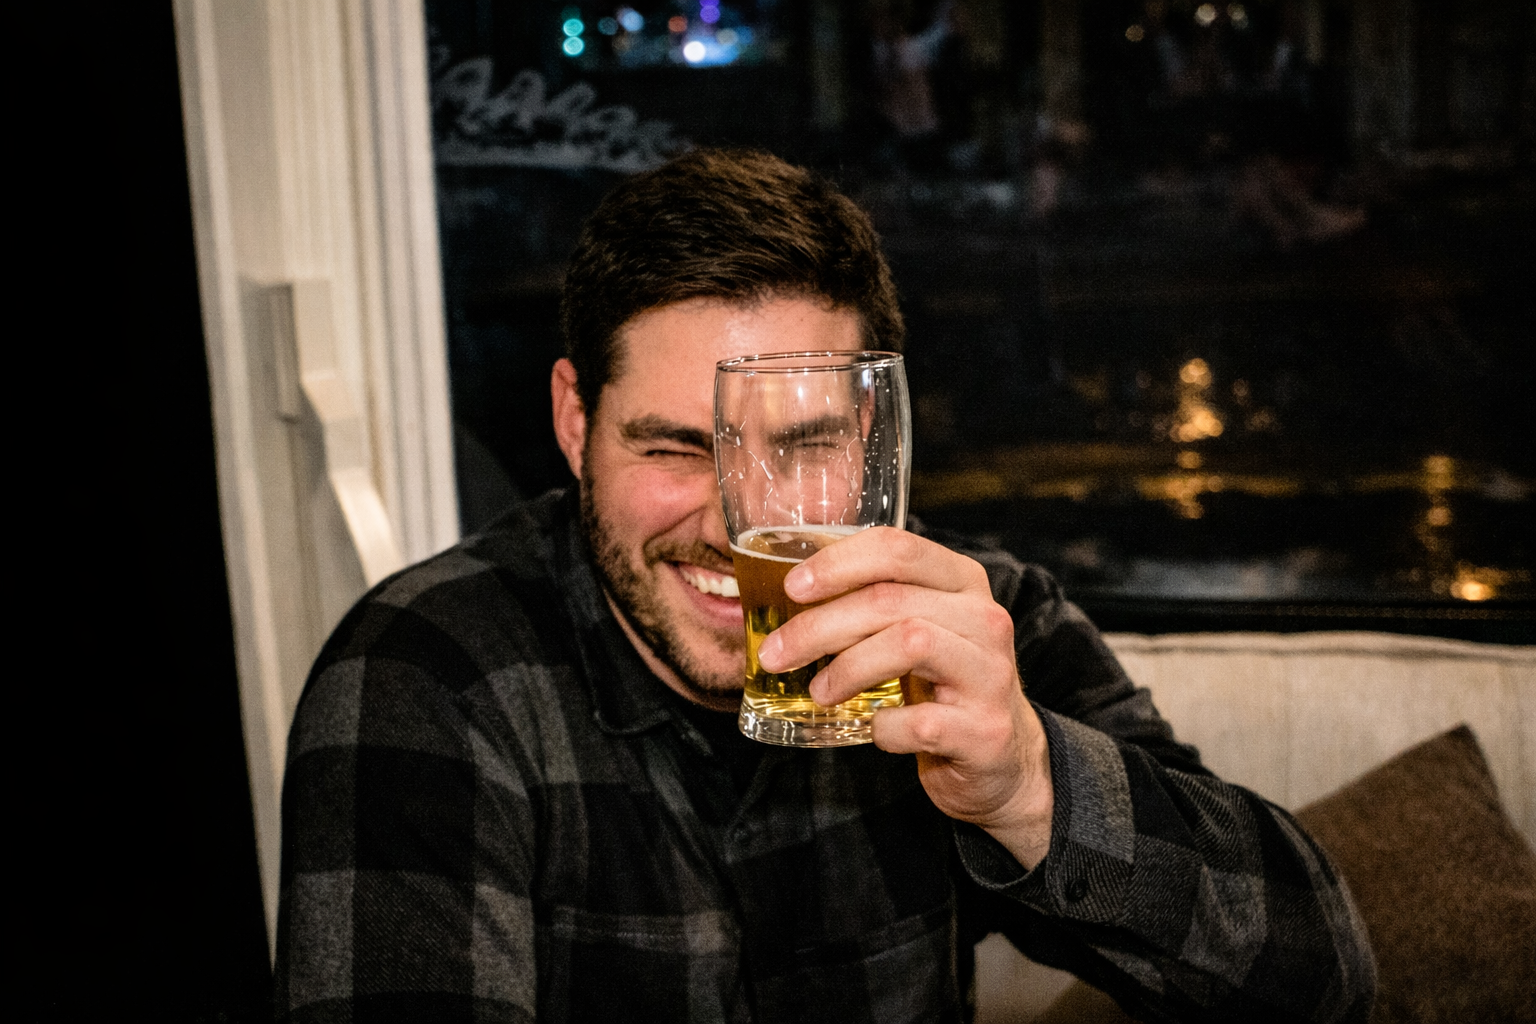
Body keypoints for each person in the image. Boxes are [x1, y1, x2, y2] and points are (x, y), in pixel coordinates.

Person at [274, 149, 1375, 1022]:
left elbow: (1323, 980)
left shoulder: (967, 621)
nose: (733, 522)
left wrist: (1030, 790)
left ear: (872, 436)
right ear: (574, 423)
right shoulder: (428, 672)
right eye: (671, 447)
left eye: (800, 447)